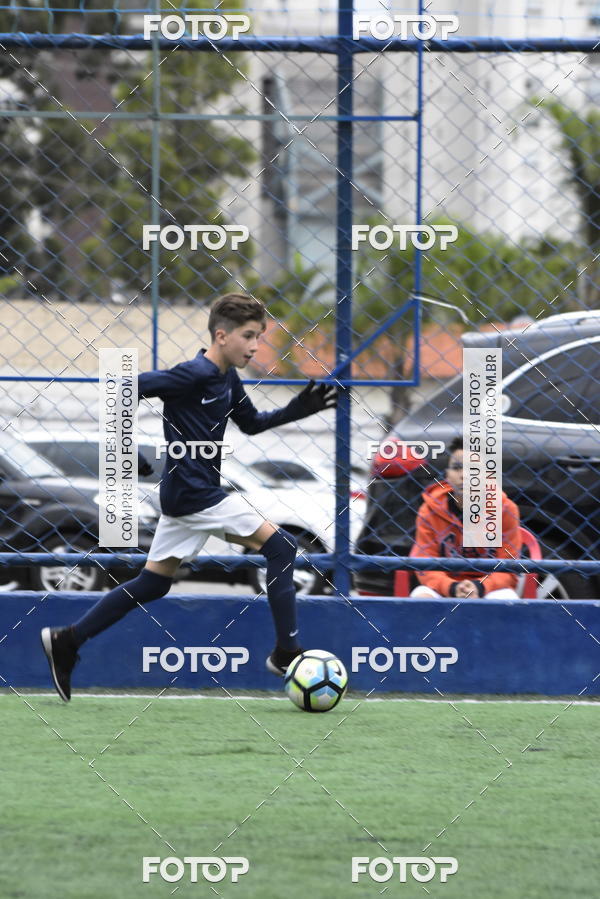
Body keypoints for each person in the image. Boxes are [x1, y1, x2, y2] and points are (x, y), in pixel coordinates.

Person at [41, 293, 337, 701]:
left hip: (186, 498)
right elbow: (122, 388)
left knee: (153, 583)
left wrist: (299, 409)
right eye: (249, 336)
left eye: (259, 337)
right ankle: (287, 653)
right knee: (283, 547)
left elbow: (251, 424)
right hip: (198, 496)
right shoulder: (193, 373)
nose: (255, 346)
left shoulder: (228, 378)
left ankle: (68, 640)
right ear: (221, 335)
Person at [410, 436, 522, 600]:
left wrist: (481, 587)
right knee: (421, 597)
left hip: (489, 589)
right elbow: (424, 564)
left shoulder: (505, 510)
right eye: (457, 467)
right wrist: (451, 587)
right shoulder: (429, 510)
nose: (464, 475)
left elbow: (508, 567)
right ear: (447, 475)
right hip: (445, 587)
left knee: (506, 600)